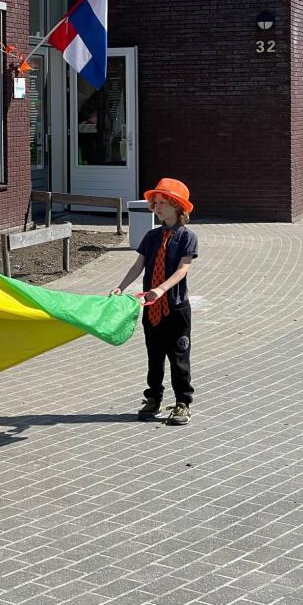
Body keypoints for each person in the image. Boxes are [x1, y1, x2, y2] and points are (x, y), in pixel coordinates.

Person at [111, 178, 198, 425]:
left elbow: (183, 269)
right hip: (152, 310)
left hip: (175, 309)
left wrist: (161, 289)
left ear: (177, 206)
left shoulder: (187, 237)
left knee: (179, 358)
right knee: (154, 357)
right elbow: (138, 266)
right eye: (155, 203)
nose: (157, 207)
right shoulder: (151, 237)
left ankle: (182, 403)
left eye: (163, 203)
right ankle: (154, 398)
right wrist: (121, 287)